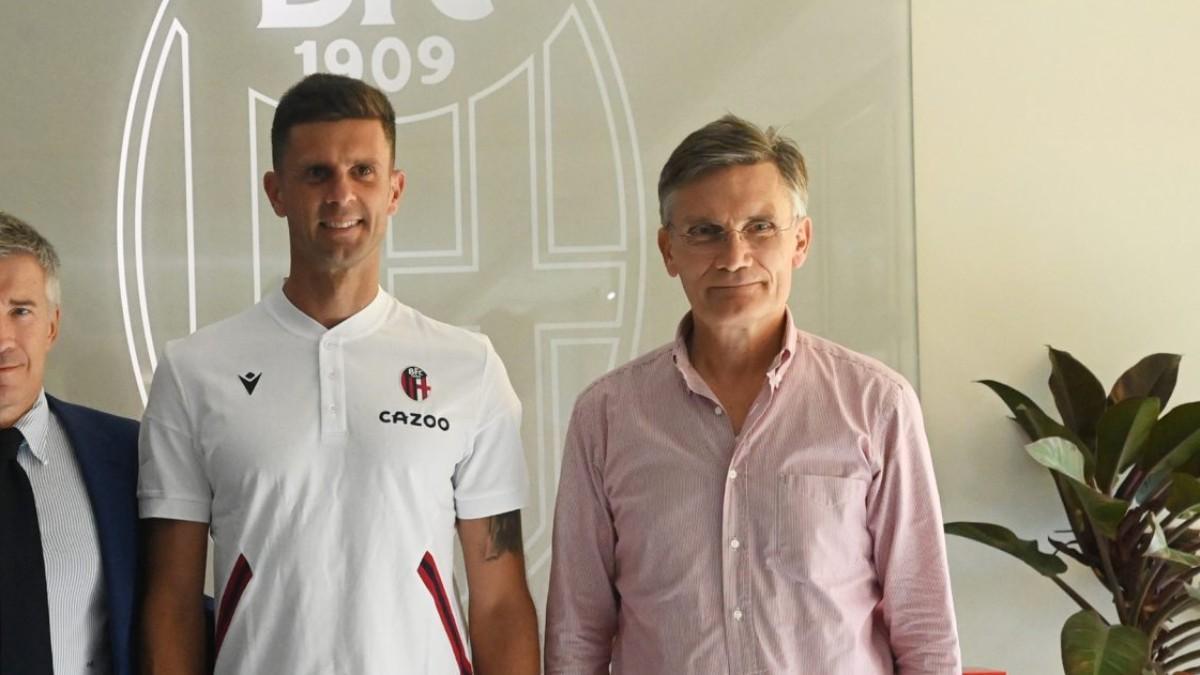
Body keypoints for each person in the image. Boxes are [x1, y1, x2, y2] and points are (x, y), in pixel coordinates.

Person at [139, 73, 539, 675]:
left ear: (395, 190)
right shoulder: (194, 370)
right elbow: (170, 601)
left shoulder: (469, 367)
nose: (341, 195)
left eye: (363, 172)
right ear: (276, 192)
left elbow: (502, 603)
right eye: (317, 173)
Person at [545, 115, 961, 673]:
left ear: (801, 241)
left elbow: (925, 628)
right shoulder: (607, 416)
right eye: (705, 231)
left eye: (761, 227)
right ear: (669, 251)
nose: (735, 256)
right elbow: (578, 633)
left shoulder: (876, 405)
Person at [0, 212, 140, 675]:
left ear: (52, 326)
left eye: (20, 311)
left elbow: (166, 609)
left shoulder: (123, 455)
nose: (2, 339)